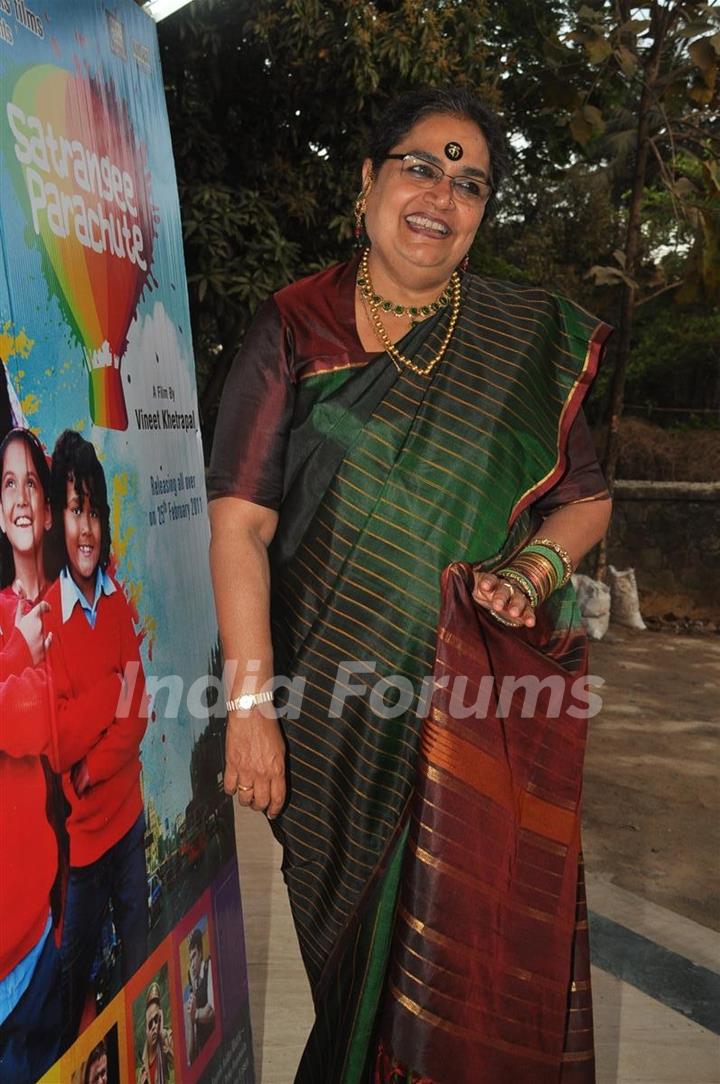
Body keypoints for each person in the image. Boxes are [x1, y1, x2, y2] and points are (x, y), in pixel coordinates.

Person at [208, 86, 613, 1083]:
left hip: (473, 717)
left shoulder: (522, 342)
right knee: (354, 967)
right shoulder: (292, 326)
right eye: (421, 167)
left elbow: (588, 502)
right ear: (370, 180)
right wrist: (250, 707)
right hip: (330, 717)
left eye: (469, 182)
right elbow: (241, 524)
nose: (441, 195)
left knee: (456, 977)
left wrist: (535, 565)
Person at [43, 430, 149, 1047]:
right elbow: (59, 743)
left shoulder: (119, 607)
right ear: (60, 518)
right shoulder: (50, 621)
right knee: (71, 975)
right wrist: (112, 695)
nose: (87, 528)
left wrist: (93, 763)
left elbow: (138, 720)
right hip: (83, 848)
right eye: (76, 509)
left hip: (129, 824)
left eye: (96, 512)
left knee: (138, 957)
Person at [0, 427, 61, 1083]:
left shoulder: (70, 608)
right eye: (8, 482)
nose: (20, 496)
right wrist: (18, 652)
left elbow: (48, 720)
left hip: (35, 947)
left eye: (32, 483)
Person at [184, 927, 215, 1064]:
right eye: (189, 960)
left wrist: (195, 1014)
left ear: (201, 953)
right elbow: (191, 1056)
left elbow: (210, 1012)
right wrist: (194, 987)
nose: (192, 965)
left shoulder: (210, 967)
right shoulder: (193, 986)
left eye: (194, 956)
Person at [138, 981, 174, 1084]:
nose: (154, 1026)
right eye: (150, 1023)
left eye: (157, 1020)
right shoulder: (142, 1068)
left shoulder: (167, 1039)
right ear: (146, 1029)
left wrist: (163, 1036)